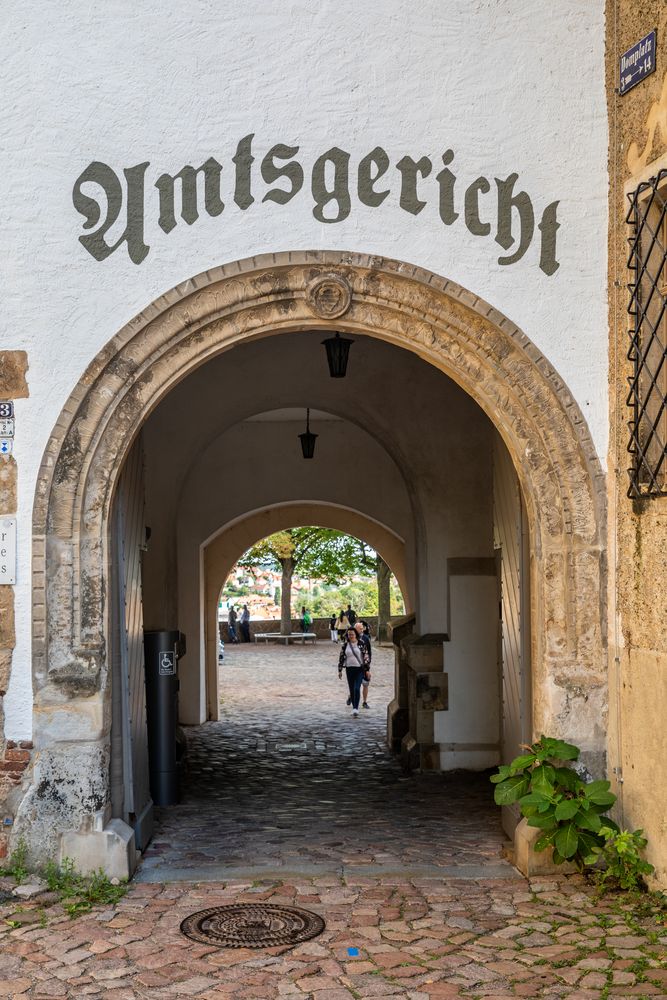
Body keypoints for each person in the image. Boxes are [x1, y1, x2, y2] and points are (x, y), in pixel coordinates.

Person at [338, 627, 370, 717]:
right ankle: (354, 708)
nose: (351, 636)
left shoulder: (361, 643)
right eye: (349, 634)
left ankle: (356, 708)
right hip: (349, 669)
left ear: (356, 634)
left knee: (357, 688)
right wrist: (340, 670)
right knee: (351, 689)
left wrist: (367, 670)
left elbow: (366, 657)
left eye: (352, 634)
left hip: (359, 669)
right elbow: (341, 658)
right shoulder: (345, 645)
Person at [356, 621, 372, 708]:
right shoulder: (351, 637)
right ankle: (351, 696)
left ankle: (365, 702)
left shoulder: (366, 638)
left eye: (362, 629)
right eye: (360, 629)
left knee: (365, 684)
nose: (362, 630)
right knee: (356, 685)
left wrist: (368, 665)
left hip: (364, 665)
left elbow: (369, 652)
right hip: (355, 665)